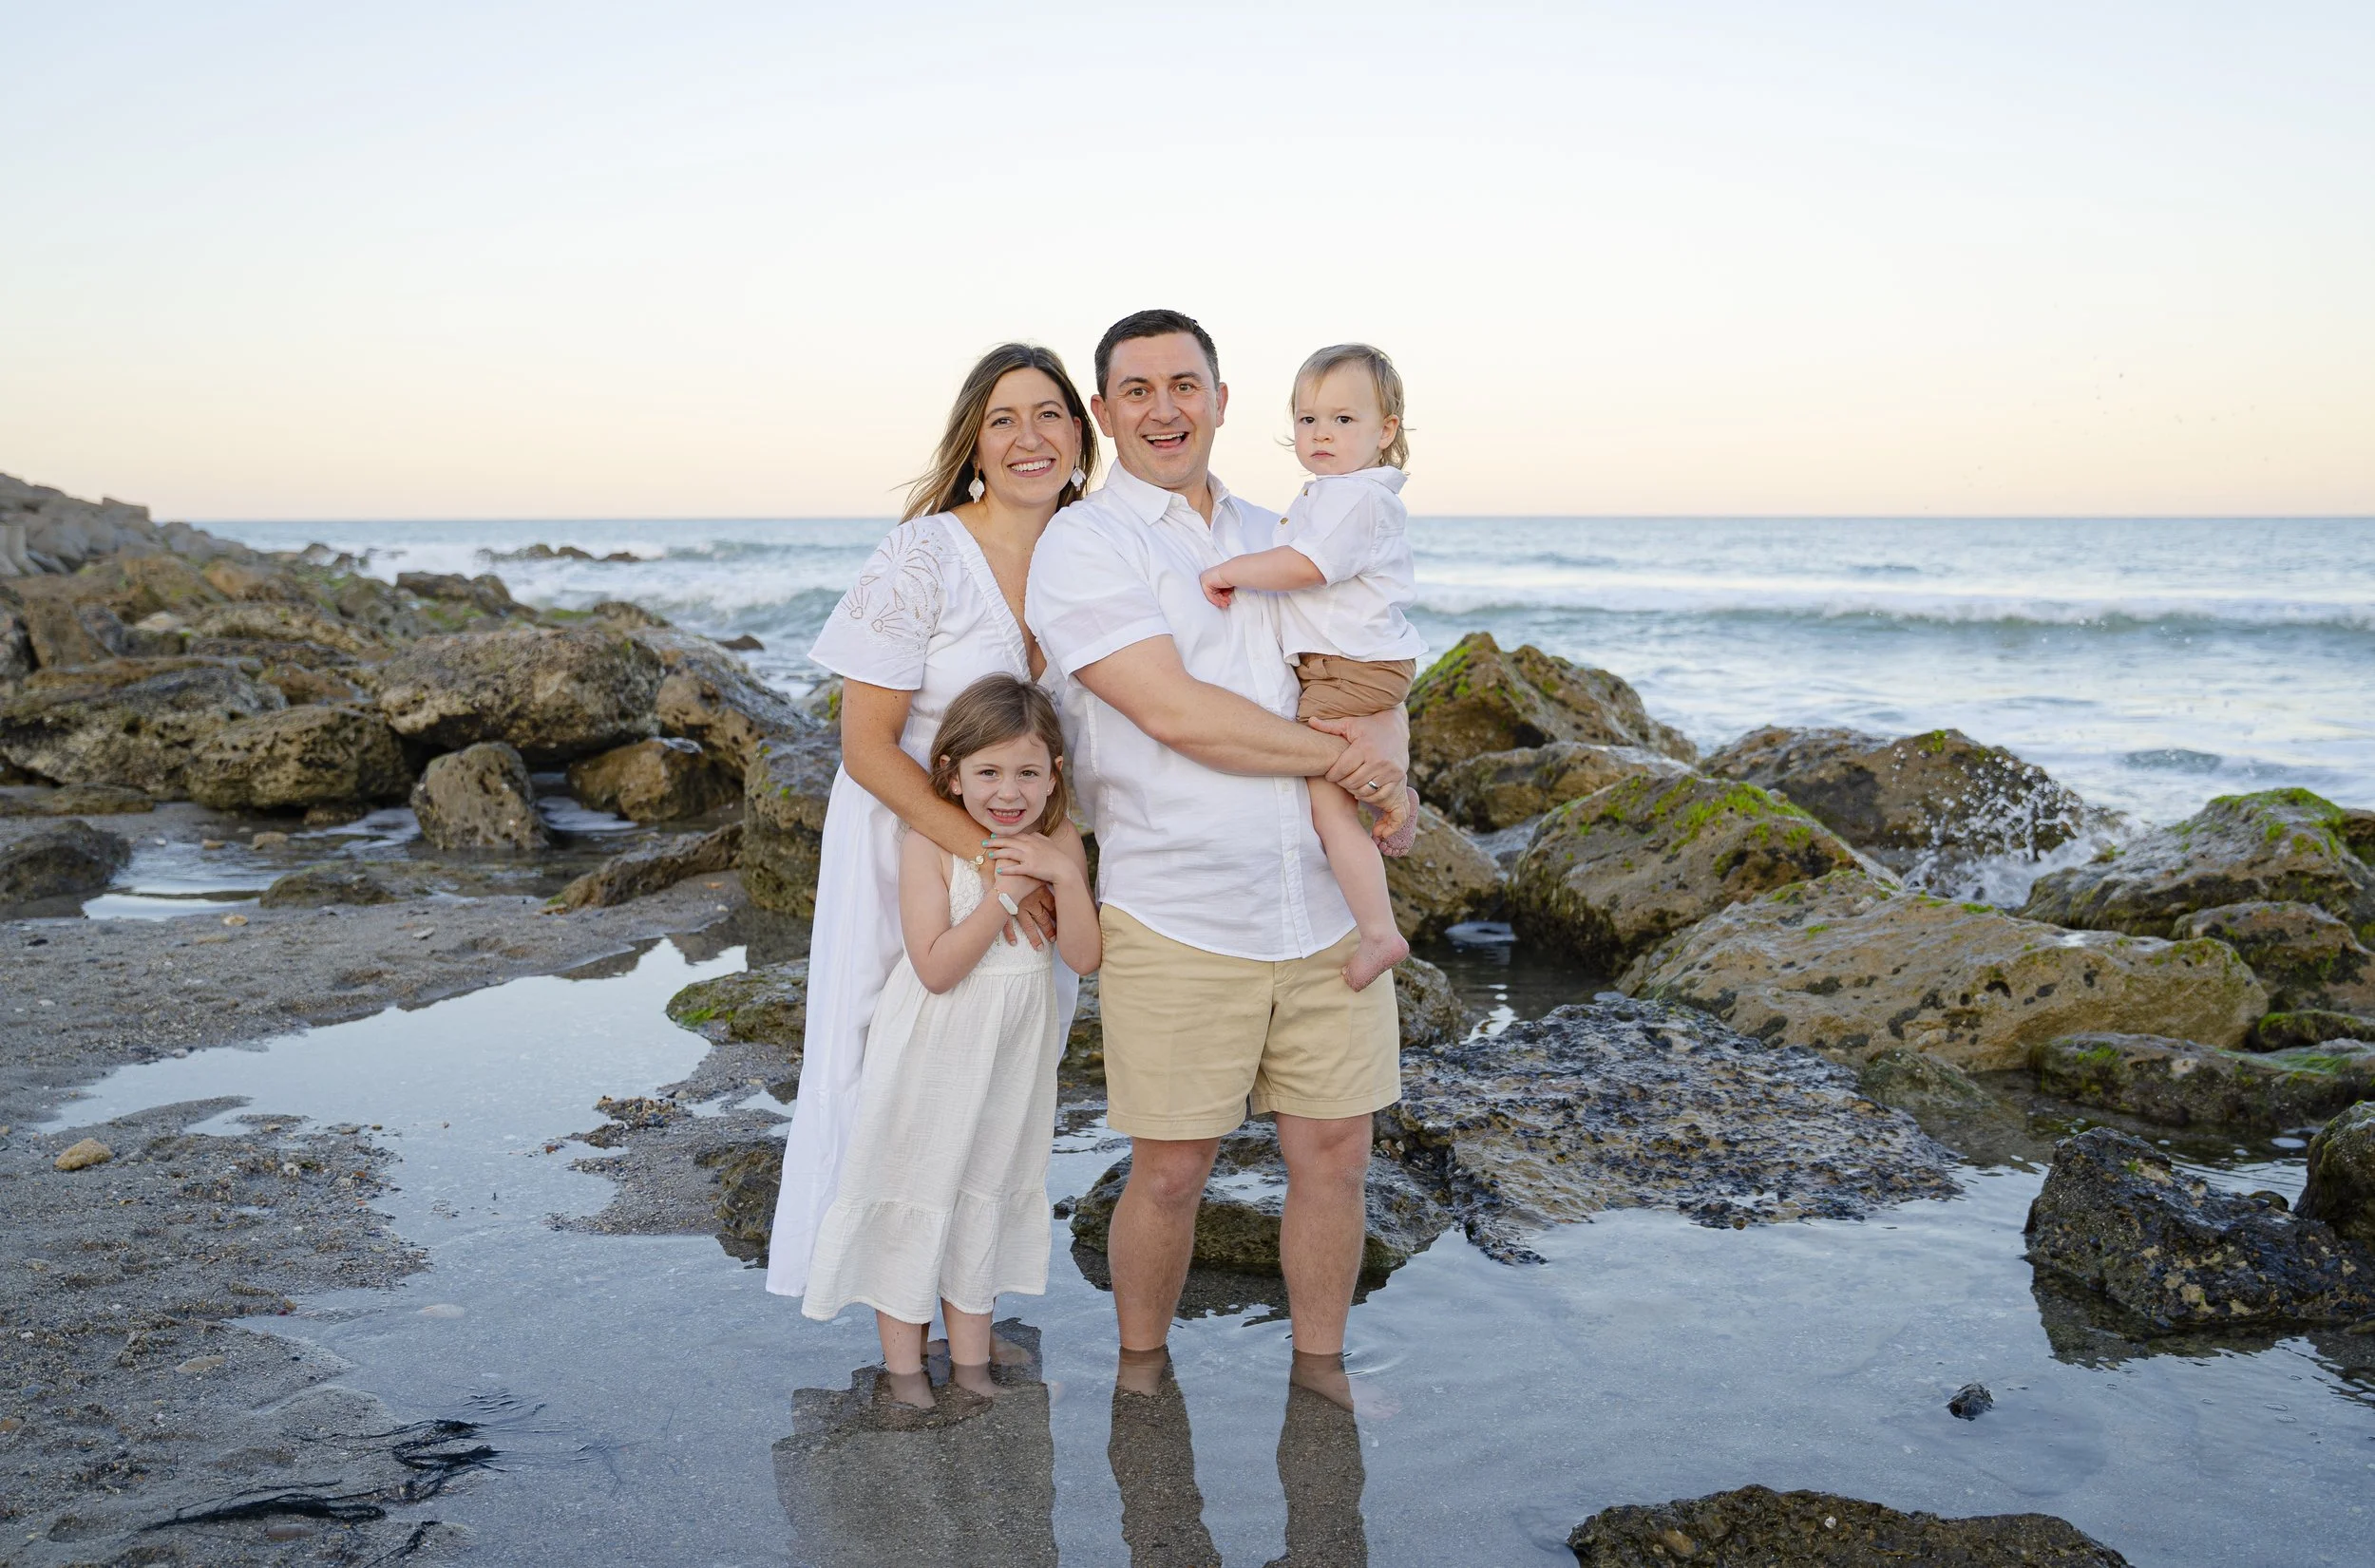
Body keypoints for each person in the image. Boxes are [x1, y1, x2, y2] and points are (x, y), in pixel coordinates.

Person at [1025, 308, 1413, 1396]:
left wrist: (1395, 767)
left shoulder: (1287, 527)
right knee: (1169, 1172)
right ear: (1105, 413)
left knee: (1335, 1159)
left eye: (1184, 384)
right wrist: (1347, 769)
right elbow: (1175, 714)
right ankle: (1140, 1376)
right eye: (1137, 390)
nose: (1164, 409)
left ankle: (1321, 1373)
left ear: (1221, 400)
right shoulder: (1085, 543)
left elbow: (1362, 661)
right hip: (1179, 907)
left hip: (1323, 907)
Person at [767, 344, 1097, 1319]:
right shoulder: (921, 554)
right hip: (907, 841)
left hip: (1030, 846)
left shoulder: (1100, 553)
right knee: (894, 1073)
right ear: (973, 444)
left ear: (1079, 436)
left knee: (999, 1081)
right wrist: (998, 863)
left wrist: (1056, 863)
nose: (1028, 437)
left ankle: (970, 1301)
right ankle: (889, 1319)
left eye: (1049, 414)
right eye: (1003, 419)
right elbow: (866, 746)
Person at [800, 675, 1099, 1405]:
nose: (1008, 791)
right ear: (951, 774)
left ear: (1054, 772)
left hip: (1010, 1058)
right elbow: (934, 967)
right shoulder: (929, 842)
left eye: (1028, 772)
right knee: (916, 1186)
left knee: (983, 1190)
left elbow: (1086, 957)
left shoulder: (1057, 839)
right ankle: (905, 1374)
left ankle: (970, 1364)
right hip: (935, 1048)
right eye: (988, 772)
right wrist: (1006, 892)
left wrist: (1063, 872)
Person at [1198, 343, 1426, 992]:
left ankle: (1380, 928)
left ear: (1386, 431)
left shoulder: (1356, 501)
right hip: (1354, 664)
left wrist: (1229, 570)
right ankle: (1394, 798)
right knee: (1339, 777)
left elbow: (1306, 567)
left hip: (1351, 668)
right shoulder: (1333, 496)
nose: (1321, 433)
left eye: (1343, 420)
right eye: (1307, 420)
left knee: (1328, 803)